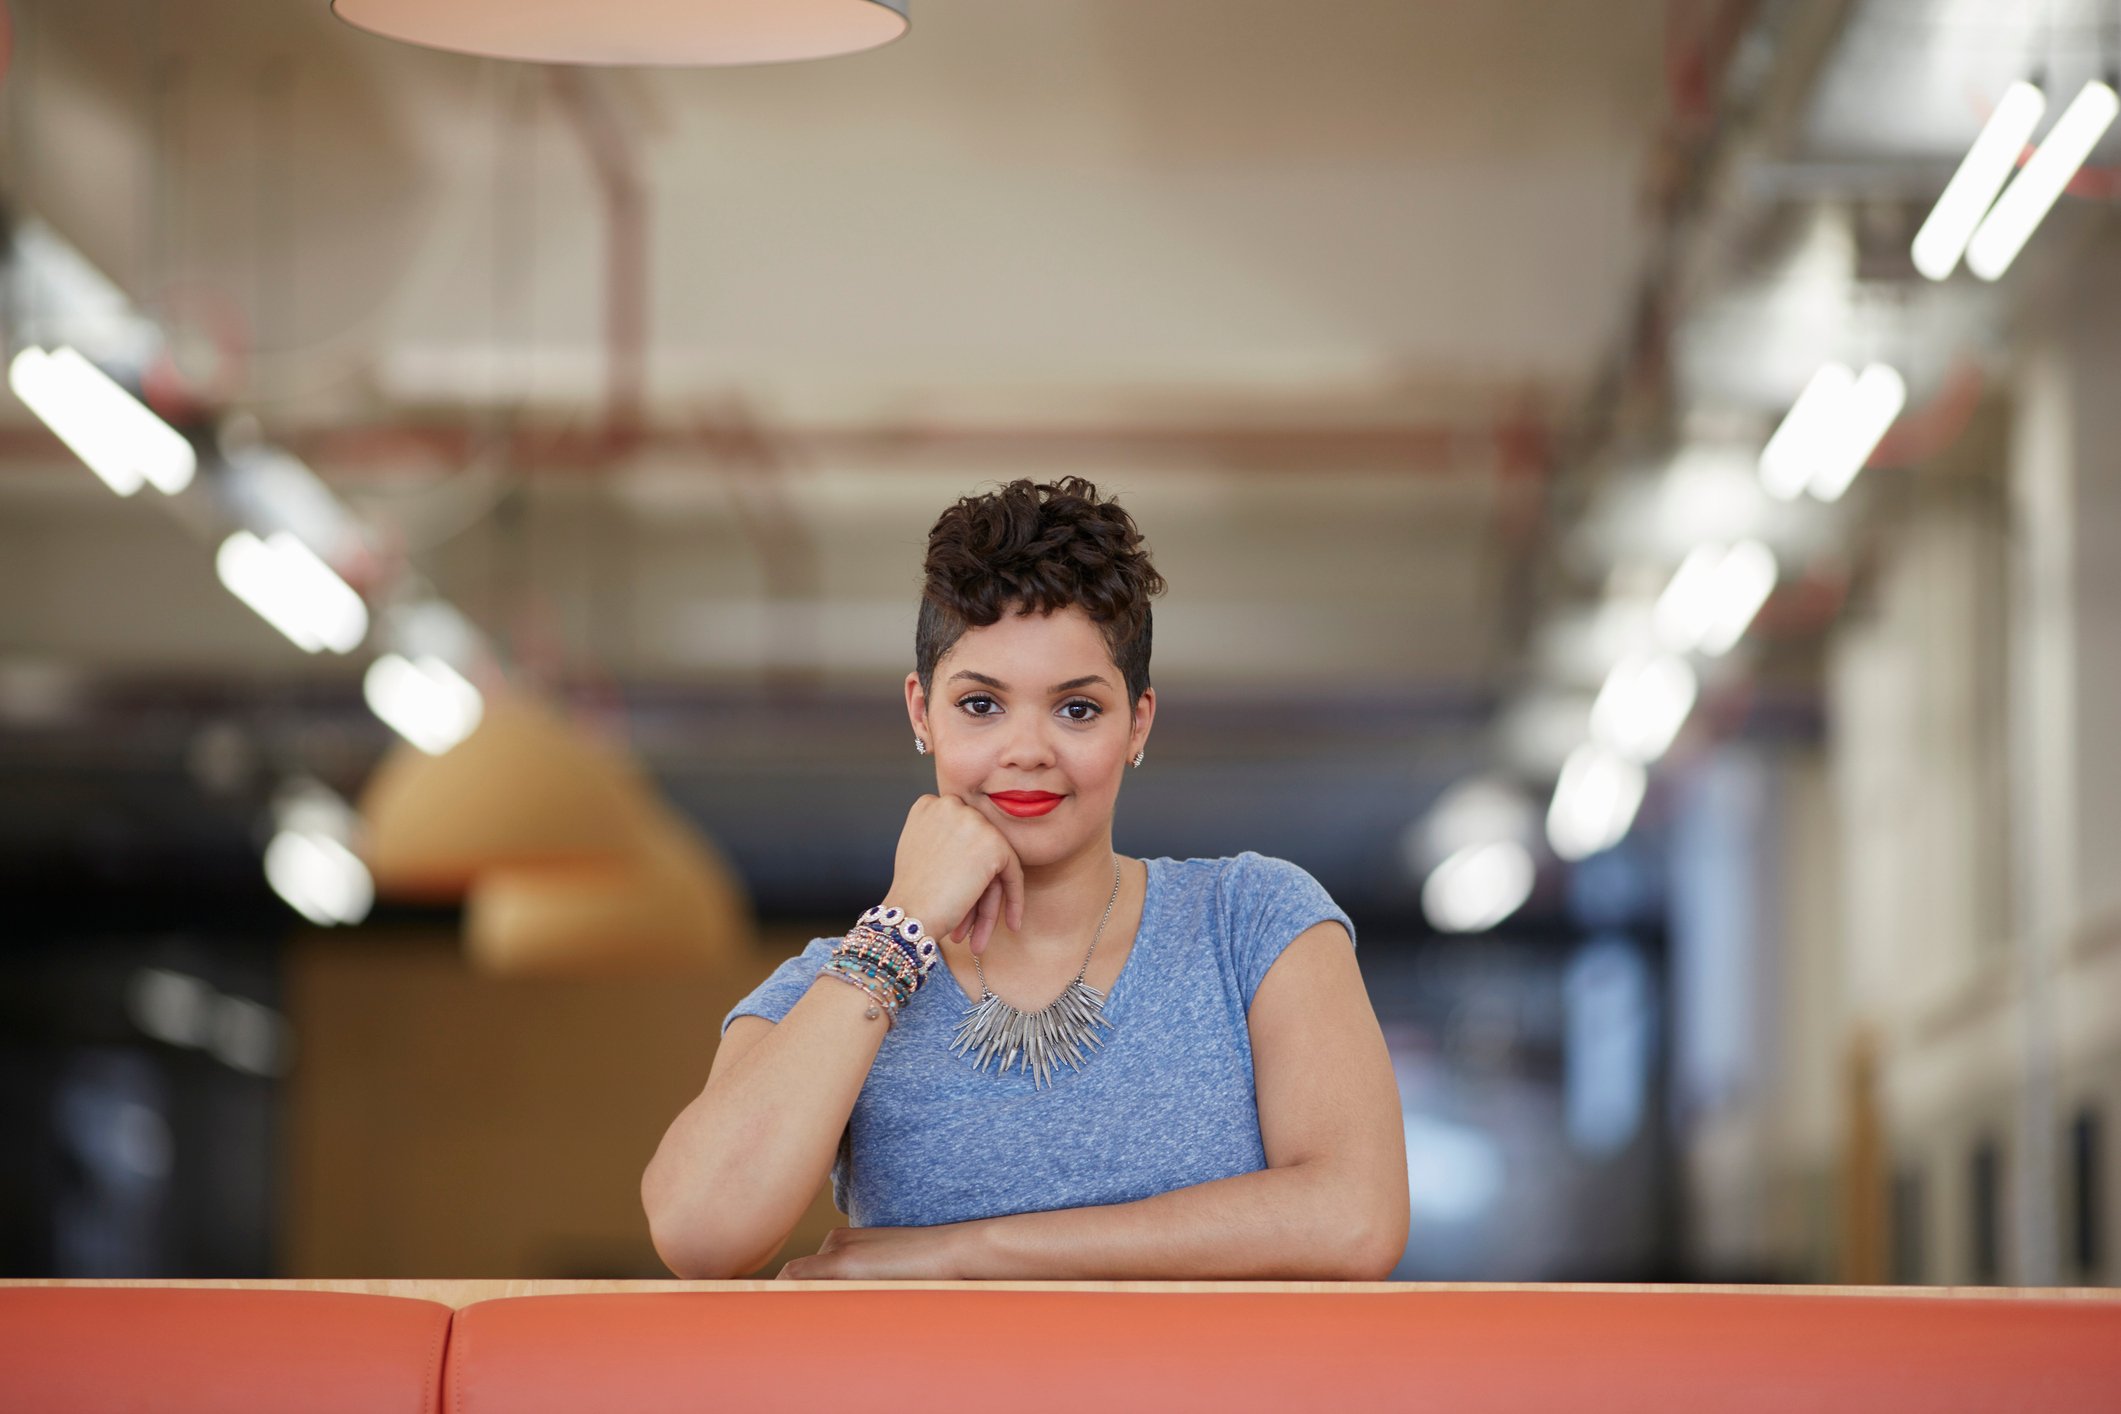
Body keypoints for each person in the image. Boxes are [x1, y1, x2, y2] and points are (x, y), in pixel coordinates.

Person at [641, 476, 1409, 1280]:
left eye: (1076, 709)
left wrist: (968, 1253)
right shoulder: (836, 982)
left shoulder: (1250, 920)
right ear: (920, 712)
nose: (1027, 750)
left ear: (1137, 723)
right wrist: (900, 927)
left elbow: (1353, 1219)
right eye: (980, 705)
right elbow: (699, 1231)